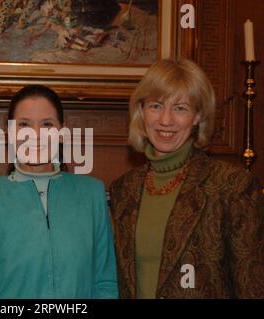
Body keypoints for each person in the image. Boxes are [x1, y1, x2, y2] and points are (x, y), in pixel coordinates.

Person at [110, 59, 264, 299]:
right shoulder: (123, 189)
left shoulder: (232, 185)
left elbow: (253, 285)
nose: (166, 120)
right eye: (156, 106)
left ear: (197, 116)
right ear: (141, 111)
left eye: (180, 108)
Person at [0, 85, 118, 298]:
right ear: (9, 133)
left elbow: (105, 282)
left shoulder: (92, 194)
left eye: (47, 124)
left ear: (62, 133)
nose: (35, 134)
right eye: (24, 124)